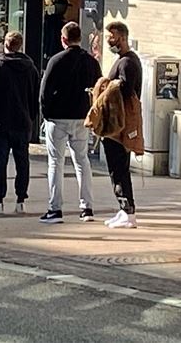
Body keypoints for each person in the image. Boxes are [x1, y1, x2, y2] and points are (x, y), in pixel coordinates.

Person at [39, 22, 102, 223]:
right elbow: (99, 89)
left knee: (55, 162)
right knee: (82, 161)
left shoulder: (56, 60)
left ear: (63, 39)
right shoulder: (91, 62)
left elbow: (45, 90)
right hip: (82, 117)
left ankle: (55, 209)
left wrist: (45, 114)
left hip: (58, 117)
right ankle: (87, 208)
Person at [0, 31, 38, 215]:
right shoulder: (30, 68)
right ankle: (20, 200)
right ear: (20, 45)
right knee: (22, 161)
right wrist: (31, 117)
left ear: (5, 44)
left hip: (0, 122)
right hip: (22, 121)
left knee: (0, 162)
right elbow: (34, 96)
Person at [102, 21, 145, 229]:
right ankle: (123, 209)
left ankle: (128, 210)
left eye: (112, 37)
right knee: (116, 168)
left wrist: (108, 88)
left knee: (119, 167)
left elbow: (126, 92)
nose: (109, 41)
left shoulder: (128, 63)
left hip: (119, 124)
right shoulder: (123, 61)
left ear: (122, 37)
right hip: (116, 123)